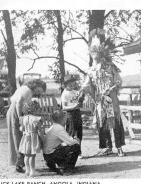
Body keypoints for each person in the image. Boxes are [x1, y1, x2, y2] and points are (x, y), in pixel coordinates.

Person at [80, 29, 125, 157]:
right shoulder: (91, 70)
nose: (95, 54)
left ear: (101, 53)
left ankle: (119, 147)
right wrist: (82, 90)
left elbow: (119, 81)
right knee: (103, 123)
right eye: (93, 52)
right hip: (100, 100)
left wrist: (111, 89)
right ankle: (107, 147)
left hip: (111, 98)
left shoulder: (110, 67)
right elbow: (86, 84)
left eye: (97, 51)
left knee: (115, 121)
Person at [7, 79, 46, 173]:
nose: (38, 92)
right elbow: (19, 102)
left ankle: (20, 162)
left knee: (19, 136)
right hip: (15, 112)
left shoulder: (27, 90)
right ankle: (19, 163)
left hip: (14, 111)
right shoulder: (27, 89)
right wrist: (20, 117)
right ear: (36, 84)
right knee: (18, 137)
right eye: (39, 90)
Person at [43, 110, 81, 175]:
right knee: (75, 146)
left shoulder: (53, 126)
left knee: (63, 146)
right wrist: (77, 140)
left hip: (47, 155)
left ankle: (53, 164)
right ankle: (67, 169)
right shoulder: (59, 128)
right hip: (52, 154)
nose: (66, 120)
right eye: (65, 118)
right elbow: (70, 142)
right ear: (62, 119)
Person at [18, 100, 44, 177]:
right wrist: (42, 138)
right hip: (33, 138)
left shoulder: (23, 118)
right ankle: (33, 171)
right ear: (34, 109)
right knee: (32, 156)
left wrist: (25, 130)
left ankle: (27, 170)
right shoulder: (36, 119)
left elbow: (21, 129)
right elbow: (39, 131)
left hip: (25, 138)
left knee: (26, 155)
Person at [61, 75, 84, 157]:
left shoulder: (75, 92)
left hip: (77, 113)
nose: (72, 86)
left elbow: (80, 103)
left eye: (73, 84)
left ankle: (78, 151)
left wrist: (81, 101)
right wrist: (73, 107)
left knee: (79, 133)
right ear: (65, 85)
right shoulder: (65, 94)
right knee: (71, 133)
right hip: (70, 114)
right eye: (70, 85)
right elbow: (64, 107)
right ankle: (70, 151)